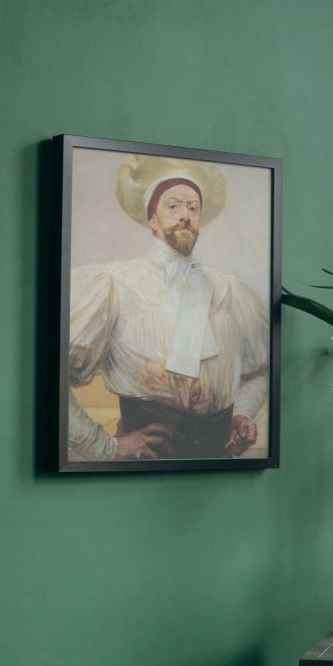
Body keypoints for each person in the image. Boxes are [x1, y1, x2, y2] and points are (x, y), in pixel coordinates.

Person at [68, 155, 269, 461]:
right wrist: (104, 447)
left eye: (193, 208)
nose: (185, 215)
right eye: (173, 206)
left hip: (219, 464)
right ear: (153, 220)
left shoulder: (231, 292)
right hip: (144, 462)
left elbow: (260, 371)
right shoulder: (114, 284)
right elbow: (53, 373)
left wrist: (241, 413)